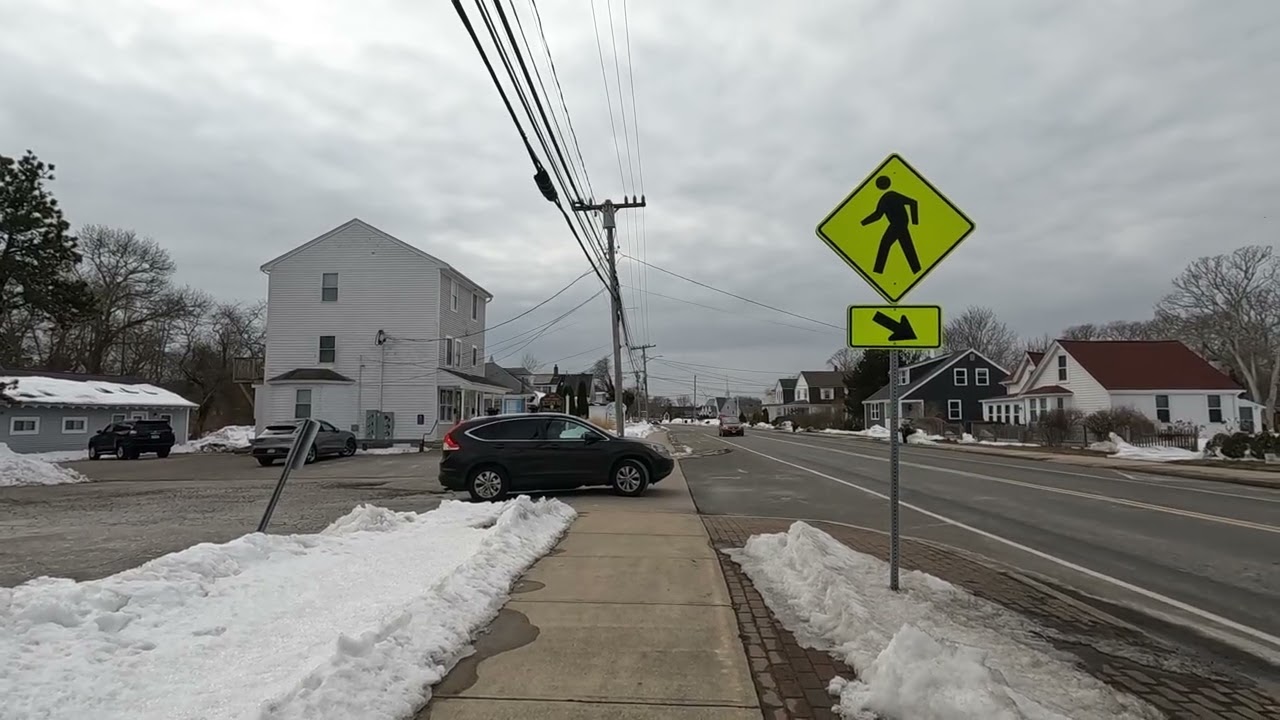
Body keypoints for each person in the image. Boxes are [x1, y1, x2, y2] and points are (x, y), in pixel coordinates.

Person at [861, 176, 921, 275]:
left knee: (885, 244)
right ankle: (916, 269)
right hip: (901, 224)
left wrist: (915, 222)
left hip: (897, 224)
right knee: (907, 246)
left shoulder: (889, 196)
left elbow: (913, 203)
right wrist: (863, 223)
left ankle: (878, 271)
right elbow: (878, 215)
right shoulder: (888, 196)